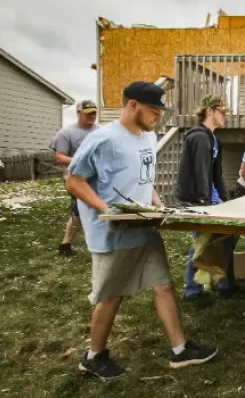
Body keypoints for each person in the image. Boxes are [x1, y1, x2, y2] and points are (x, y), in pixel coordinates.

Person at [67, 81, 218, 380]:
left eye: (161, 110)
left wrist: (160, 209)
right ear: (132, 105)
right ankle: (93, 357)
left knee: (163, 284)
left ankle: (180, 350)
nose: (158, 116)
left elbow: (145, 182)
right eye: (153, 110)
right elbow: (74, 181)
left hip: (144, 226)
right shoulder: (104, 139)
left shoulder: (149, 138)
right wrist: (105, 209)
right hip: (114, 233)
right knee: (112, 295)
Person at [175, 94, 238, 300]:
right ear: (210, 111)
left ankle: (223, 283)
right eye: (222, 112)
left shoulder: (213, 139)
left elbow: (216, 175)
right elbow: (200, 172)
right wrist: (205, 204)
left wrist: (227, 201)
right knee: (201, 243)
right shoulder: (199, 137)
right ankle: (192, 291)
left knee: (228, 236)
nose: (225, 116)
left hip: (211, 198)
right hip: (199, 200)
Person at [50, 100, 99, 258]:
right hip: (75, 180)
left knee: (97, 209)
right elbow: (59, 157)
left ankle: (98, 242)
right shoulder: (66, 133)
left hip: (97, 179)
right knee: (80, 211)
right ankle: (65, 244)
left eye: (94, 113)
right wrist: (80, 160)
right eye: (88, 113)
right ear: (78, 113)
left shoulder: (100, 131)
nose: (92, 116)